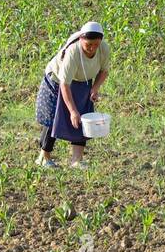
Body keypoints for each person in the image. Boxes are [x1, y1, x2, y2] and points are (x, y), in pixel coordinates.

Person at [34, 21, 110, 169]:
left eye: (96, 44)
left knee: (83, 118)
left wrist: (95, 88)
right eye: (89, 44)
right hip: (58, 81)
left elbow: (104, 70)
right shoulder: (74, 52)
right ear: (81, 39)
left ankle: (76, 160)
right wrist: (72, 111)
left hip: (83, 81)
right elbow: (64, 84)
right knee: (54, 117)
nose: (92, 48)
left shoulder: (103, 48)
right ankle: (44, 157)